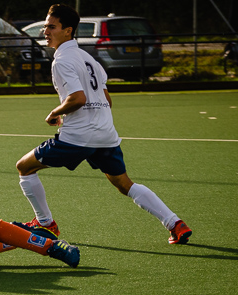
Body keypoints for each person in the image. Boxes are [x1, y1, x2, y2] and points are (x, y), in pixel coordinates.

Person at [16, 4, 191, 245]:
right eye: (45, 25)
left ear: (68, 31)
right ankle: (175, 224)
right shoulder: (90, 59)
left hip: (78, 138)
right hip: (105, 135)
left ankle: (45, 224)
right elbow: (106, 99)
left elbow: (77, 98)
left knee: (24, 167)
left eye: (51, 26)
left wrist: (54, 113)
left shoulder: (61, 61)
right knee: (124, 184)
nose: (45, 31)